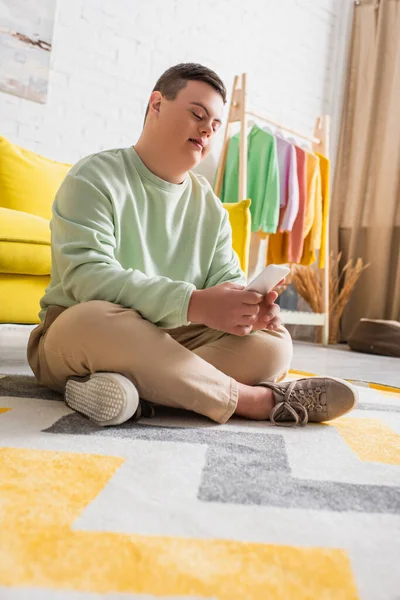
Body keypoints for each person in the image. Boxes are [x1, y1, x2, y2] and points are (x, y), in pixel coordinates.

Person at [27, 63, 357, 427]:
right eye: (198, 115)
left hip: (173, 341)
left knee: (273, 344)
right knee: (92, 320)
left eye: (215, 126)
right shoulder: (93, 176)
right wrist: (192, 303)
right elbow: (86, 278)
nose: (206, 129)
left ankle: (131, 390)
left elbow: (228, 280)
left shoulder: (209, 205)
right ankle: (255, 401)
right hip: (85, 333)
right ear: (156, 105)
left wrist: (248, 310)